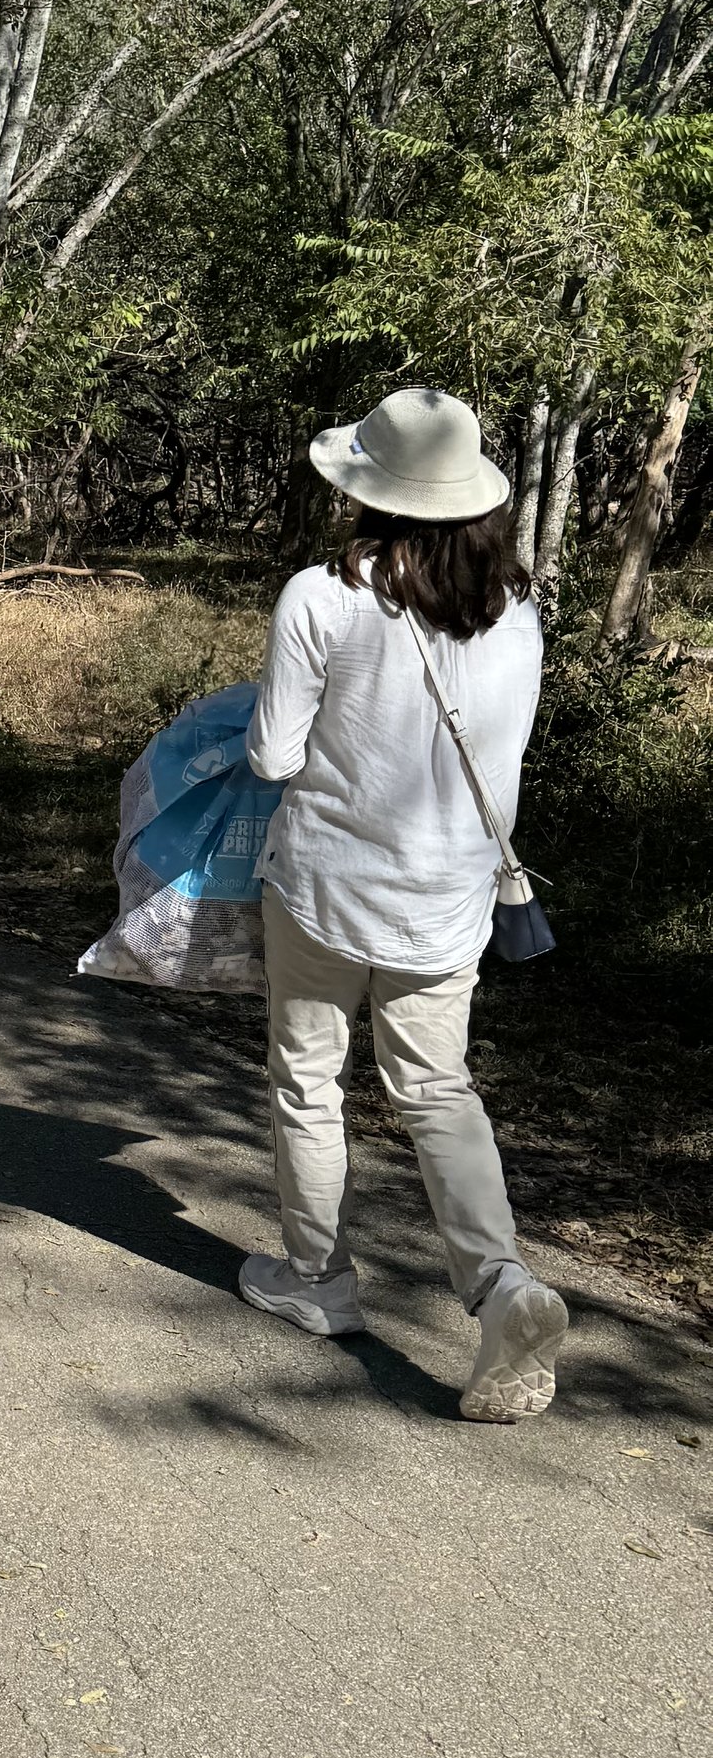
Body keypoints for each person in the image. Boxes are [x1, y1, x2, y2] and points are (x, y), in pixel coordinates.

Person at [240, 385, 566, 1424]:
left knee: (307, 1079)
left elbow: (273, 754)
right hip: (449, 898)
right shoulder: (516, 608)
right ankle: (501, 1285)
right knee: (436, 1090)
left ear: (367, 491)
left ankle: (317, 1283)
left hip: (325, 886)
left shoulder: (322, 597)